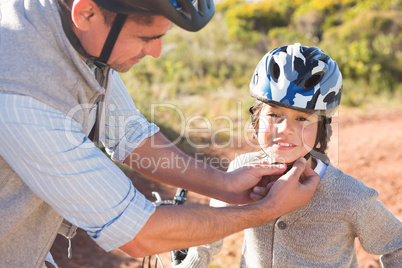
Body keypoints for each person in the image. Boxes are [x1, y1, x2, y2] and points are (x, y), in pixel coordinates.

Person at [0, 1, 321, 267]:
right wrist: (266, 211)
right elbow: (139, 233)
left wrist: (225, 186)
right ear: (86, 13)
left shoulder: (68, 31)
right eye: (145, 37)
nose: (156, 52)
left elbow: (129, 135)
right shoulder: (20, 95)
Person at [178, 43, 402, 267]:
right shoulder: (241, 170)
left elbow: (396, 244)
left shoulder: (350, 196)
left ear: (321, 128)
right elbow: (210, 232)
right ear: (257, 117)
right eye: (275, 114)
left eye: (302, 118)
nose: (285, 128)